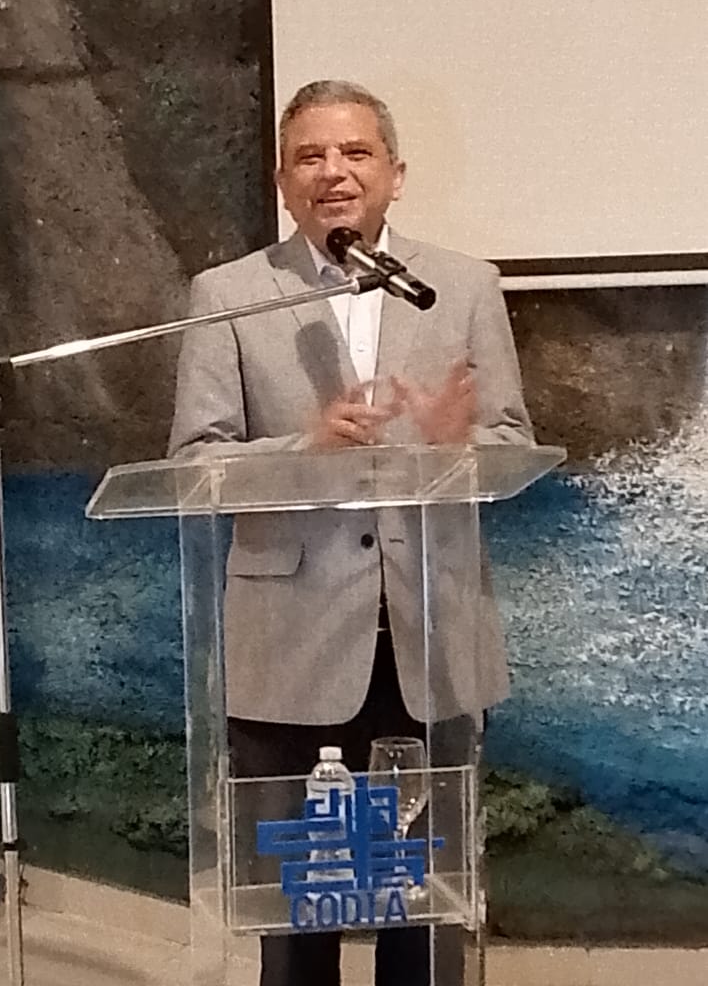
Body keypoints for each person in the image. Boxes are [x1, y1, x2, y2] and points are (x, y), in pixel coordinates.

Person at [169, 80, 533, 986]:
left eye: (356, 153)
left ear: (395, 174)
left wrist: (456, 446)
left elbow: (511, 442)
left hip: (431, 632)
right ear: (283, 181)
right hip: (289, 643)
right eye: (311, 156)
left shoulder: (464, 285)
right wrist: (304, 447)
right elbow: (193, 465)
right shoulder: (229, 294)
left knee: (425, 914)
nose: (334, 172)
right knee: (299, 920)